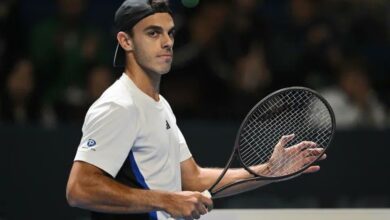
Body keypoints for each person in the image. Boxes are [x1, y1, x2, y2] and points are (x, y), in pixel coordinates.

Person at [66, 1, 325, 219]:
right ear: (125, 41)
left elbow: (192, 178)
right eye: (153, 33)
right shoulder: (119, 105)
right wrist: (166, 200)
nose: (167, 42)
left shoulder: (160, 105)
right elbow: (79, 189)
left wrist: (268, 171)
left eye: (170, 33)